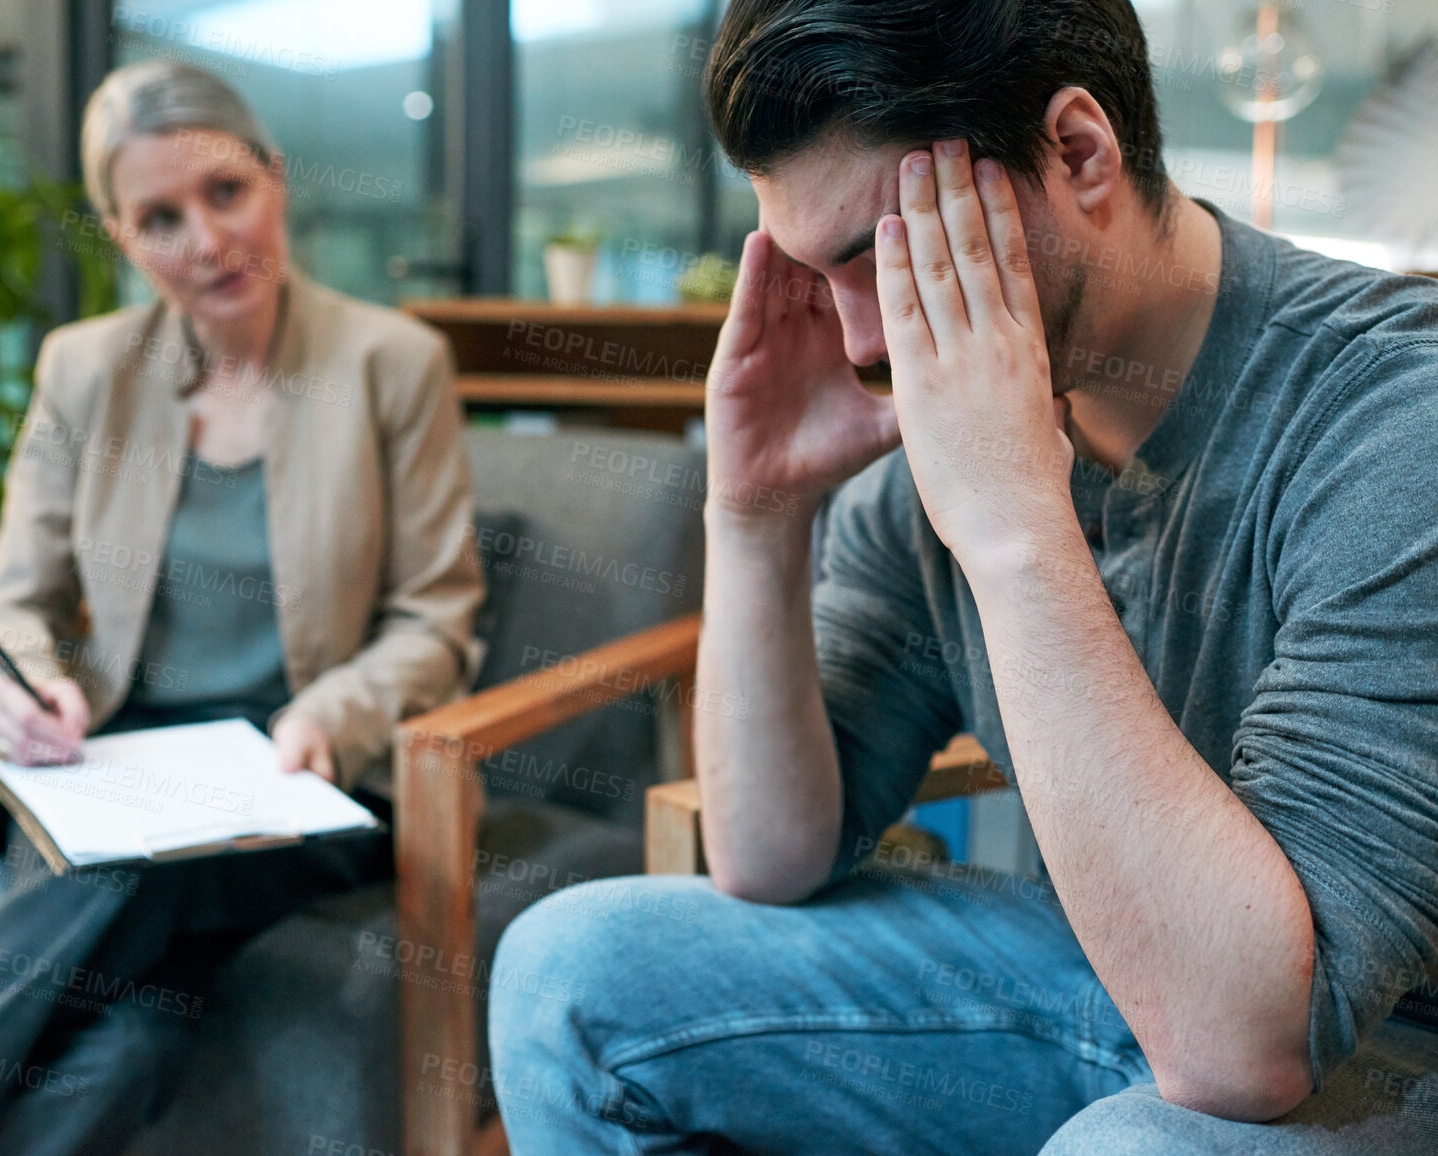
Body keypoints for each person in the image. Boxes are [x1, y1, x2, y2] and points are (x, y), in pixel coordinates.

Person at [488, 1, 1438, 1152]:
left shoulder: (1390, 421)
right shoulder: (931, 458)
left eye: (886, 259)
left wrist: (1013, 526)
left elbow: (1243, 1050)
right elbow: (767, 854)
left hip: (1375, 1049)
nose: (857, 344)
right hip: (1100, 975)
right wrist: (753, 514)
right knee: (569, 972)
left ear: (1077, 153)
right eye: (812, 276)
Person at [0, 59, 484, 1155]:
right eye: (160, 218)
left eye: (227, 193)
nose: (207, 240)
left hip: (300, 778)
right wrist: (12, 686)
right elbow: (12, 591)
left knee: (124, 878)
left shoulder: (391, 363)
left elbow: (436, 614)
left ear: (274, 178)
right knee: (126, 1042)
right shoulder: (83, 369)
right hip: (113, 769)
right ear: (121, 237)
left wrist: (335, 710)